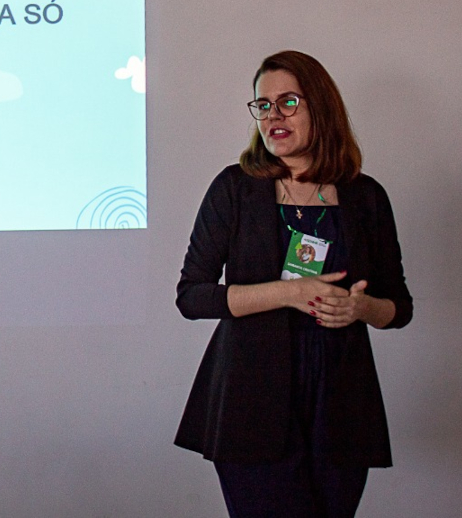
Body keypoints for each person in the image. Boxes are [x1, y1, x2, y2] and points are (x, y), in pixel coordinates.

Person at [174, 50, 413, 518]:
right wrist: (289, 293)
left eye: (287, 102)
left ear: (320, 107)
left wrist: (361, 308)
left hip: (341, 403)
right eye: (262, 105)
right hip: (251, 400)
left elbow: (398, 307)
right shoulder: (235, 188)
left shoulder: (366, 196)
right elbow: (192, 296)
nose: (272, 117)